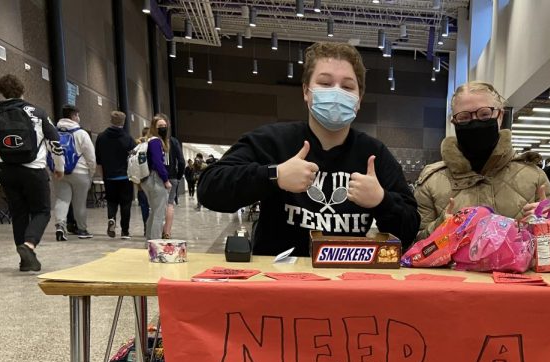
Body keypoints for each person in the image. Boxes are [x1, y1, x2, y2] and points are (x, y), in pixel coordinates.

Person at [198, 42, 419, 256]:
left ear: (359, 99)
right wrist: (275, 175)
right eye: (325, 83)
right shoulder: (272, 141)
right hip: (279, 282)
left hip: (344, 282)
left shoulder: (374, 154)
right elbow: (210, 188)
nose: (336, 93)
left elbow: (409, 231)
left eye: (347, 86)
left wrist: (382, 201)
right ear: (306, 91)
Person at [414, 81, 550, 239]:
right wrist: (440, 226)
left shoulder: (534, 177)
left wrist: (549, 224)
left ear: (499, 116)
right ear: (454, 122)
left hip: (517, 264)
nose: (475, 122)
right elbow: (415, 244)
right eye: (464, 117)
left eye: (484, 114)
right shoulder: (432, 181)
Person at [0, 74, 64, 271]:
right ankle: (29, 245)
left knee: (18, 213)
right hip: (33, 169)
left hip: (5, 170)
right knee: (42, 211)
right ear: (23, 90)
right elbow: (55, 141)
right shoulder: (38, 112)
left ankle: (24, 261)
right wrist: (59, 167)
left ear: (0, 91)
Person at [51, 105, 96, 241]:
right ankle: (82, 230)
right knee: (79, 203)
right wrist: (91, 173)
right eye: (78, 115)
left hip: (59, 171)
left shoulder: (53, 132)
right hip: (80, 172)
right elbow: (91, 156)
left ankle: (60, 226)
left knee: (62, 199)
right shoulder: (81, 133)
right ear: (74, 116)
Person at [95, 110, 135, 239]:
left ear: (111, 120)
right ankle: (125, 231)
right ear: (123, 122)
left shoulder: (101, 137)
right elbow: (134, 158)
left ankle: (111, 219)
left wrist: (103, 176)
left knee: (112, 201)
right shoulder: (128, 138)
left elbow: (98, 160)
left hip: (109, 176)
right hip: (125, 176)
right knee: (126, 203)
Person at [142, 116, 172, 241]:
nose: (163, 128)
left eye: (164, 126)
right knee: (159, 214)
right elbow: (158, 163)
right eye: (160, 126)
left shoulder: (149, 140)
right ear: (154, 128)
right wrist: (166, 180)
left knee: (154, 212)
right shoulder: (155, 141)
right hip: (156, 178)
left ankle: (149, 242)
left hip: (148, 179)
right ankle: (155, 244)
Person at [163, 118, 185, 237]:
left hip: (156, 178)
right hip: (172, 177)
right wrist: (178, 176)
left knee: (157, 206)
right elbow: (181, 161)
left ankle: (152, 231)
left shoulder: (153, 141)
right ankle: (167, 232)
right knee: (170, 204)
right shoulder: (174, 142)